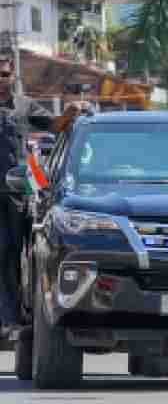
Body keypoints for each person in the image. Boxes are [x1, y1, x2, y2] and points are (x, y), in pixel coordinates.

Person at [0, 57, 87, 333]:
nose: (1, 78)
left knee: (24, 252)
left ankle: (22, 313)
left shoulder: (24, 106)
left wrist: (72, 111)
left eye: (4, 74)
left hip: (21, 191)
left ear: (12, 76)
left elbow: (55, 126)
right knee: (3, 253)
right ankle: (9, 317)